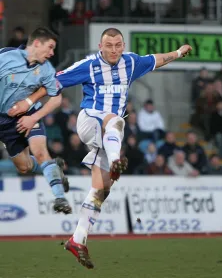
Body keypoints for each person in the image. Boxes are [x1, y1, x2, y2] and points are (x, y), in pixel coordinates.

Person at [10, 27, 192, 269]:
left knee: (101, 190)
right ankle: (117, 160)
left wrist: (179, 52)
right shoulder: (88, 65)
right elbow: (53, 82)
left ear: (123, 46)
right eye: (109, 45)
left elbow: (157, 60)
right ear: (100, 46)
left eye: (118, 45)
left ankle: (77, 240)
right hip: (89, 120)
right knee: (116, 120)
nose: (114, 50)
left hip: (108, 136)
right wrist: (29, 102)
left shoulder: (131, 63)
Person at [3, 27, 72, 214]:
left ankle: (60, 198)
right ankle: (52, 168)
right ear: (36, 43)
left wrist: (32, 116)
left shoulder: (46, 70)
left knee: (41, 152)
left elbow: (56, 98)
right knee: (24, 166)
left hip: (28, 116)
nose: (51, 53)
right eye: (49, 48)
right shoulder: (6, 56)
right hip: (4, 120)